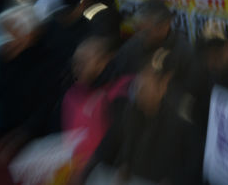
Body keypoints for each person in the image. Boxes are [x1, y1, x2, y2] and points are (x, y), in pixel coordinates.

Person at [83, 47, 204, 185]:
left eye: (149, 77)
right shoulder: (129, 112)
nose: (140, 83)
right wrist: (87, 172)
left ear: (165, 83)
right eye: (142, 74)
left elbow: (194, 168)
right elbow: (106, 149)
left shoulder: (183, 123)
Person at [62, 35, 133, 177]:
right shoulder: (72, 93)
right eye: (75, 63)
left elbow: (119, 140)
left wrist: (88, 167)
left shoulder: (121, 91)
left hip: (106, 173)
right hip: (75, 169)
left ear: (104, 61)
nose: (77, 68)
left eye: (83, 62)